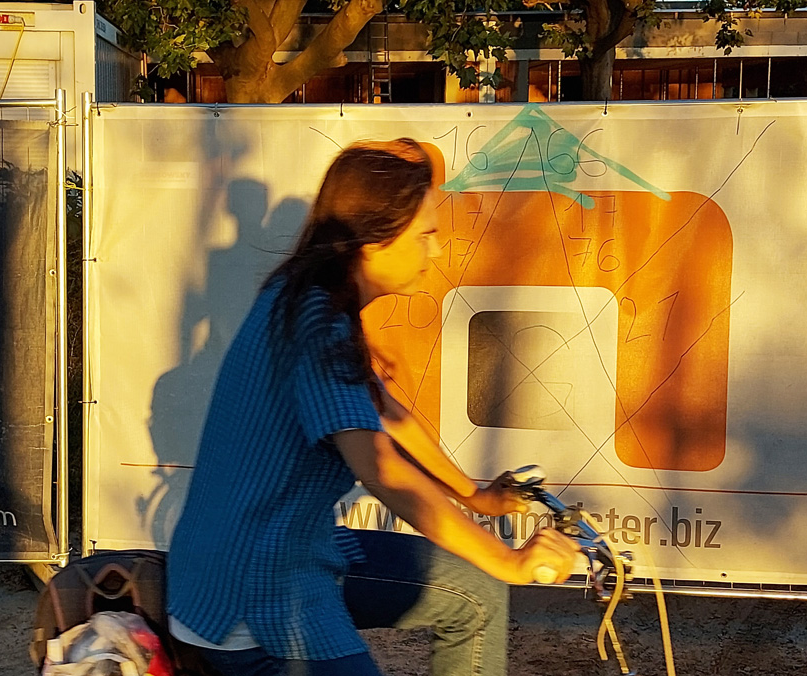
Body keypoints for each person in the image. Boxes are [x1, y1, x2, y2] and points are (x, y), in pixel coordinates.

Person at [166, 138, 579, 676]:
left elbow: (388, 412)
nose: (436, 250)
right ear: (373, 239)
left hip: (296, 548)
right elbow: (381, 469)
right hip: (254, 592)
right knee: (488, 573)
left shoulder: (311, 296)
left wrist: (474, 496)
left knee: (475, 591)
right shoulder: (318, 325)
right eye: (426, 235)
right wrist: (511, 560)